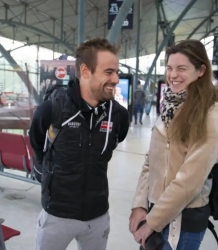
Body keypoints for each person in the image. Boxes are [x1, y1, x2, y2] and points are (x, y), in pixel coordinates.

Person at [129, 40, 218, 250]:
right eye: (169, 68)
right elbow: (151, 160)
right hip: (156, 210)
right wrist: (140, 204)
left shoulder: (212, 116)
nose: (173, 75)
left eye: (181, 68)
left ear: (201, 70)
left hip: (183, 222)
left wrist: (152, 222)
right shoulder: (170, 106)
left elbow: (189, 181)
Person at [29, 38, 130, 250]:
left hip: (97, 215)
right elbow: (37, 141)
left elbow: (116, 140)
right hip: (57, 214)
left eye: (117, 72)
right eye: (109, 72)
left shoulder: (118, 115)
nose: (116, 79)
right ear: (85, 71)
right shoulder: (52, 108)